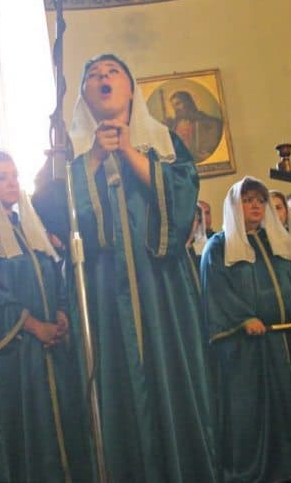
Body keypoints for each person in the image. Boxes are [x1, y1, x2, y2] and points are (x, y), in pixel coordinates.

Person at [65, 53, 218, 482]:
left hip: (162, 285)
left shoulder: (164, 143)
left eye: (112, 72)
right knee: (116, 386)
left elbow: (184, 200)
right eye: (93, 75)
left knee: (175, 378)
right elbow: (60, 219)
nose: (103, 78)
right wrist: (93, 159)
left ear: (131, 88)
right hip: (102, 291)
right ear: (84, 96)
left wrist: (129, 153)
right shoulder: (71, 154)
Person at [0, 151, 92, 482]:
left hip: (51, 354)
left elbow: (52, 273)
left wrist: (61, 314)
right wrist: (34, 327)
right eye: (2, 177)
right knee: (32, 439)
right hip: (18, 359)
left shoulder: (28, 228)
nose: (12, 183)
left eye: (15, 175)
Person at [201, 176, 291, 482]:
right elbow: (216, 291)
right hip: (250, 348)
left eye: (260, 200)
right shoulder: (218, 247)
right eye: (247, 201)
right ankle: (264, 472)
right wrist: (244, 318)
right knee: (257, 412)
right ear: (234, 206)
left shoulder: (280, 242)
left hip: (290, 339)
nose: (256, 206)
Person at [166, 90, 223, 163]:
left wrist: (208, 150)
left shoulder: (203, 119)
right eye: (173, 106)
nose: (176, 109)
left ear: (187, 102)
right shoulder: (174, 124)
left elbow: (218, 125)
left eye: (178, 104)